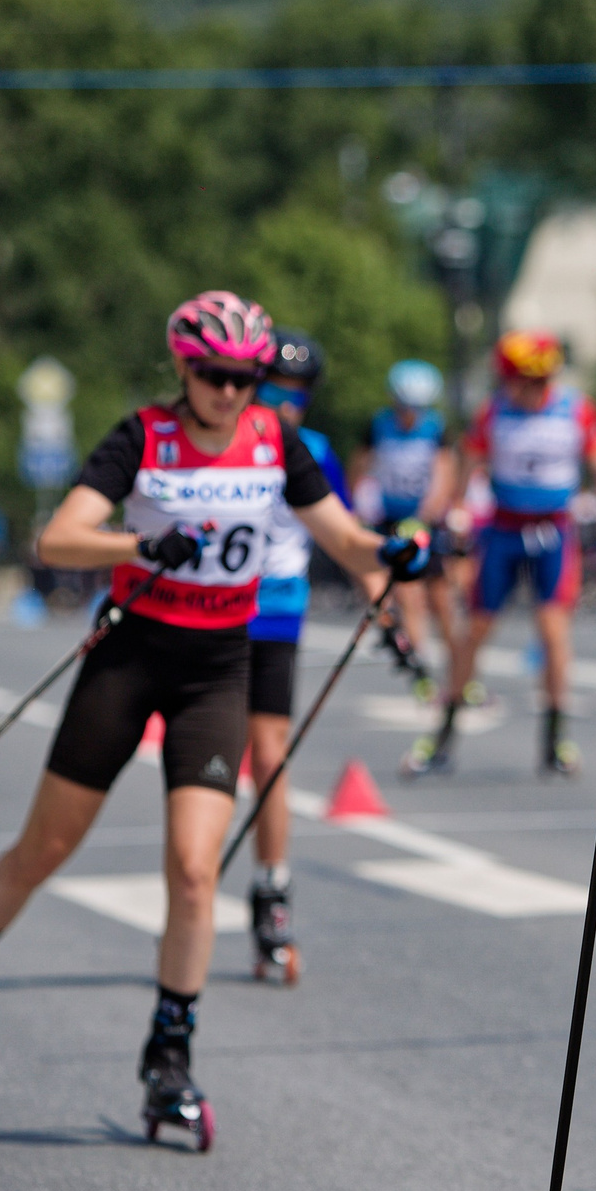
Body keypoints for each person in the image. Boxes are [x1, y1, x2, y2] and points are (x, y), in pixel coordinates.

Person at [0, 292, 436, 1143]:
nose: (230, 392)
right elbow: (59, 539)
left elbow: (346, 539)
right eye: (214, 375)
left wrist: (396, 549)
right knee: (45, 848)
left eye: (245, 377)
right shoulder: (143, 437)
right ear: (183, 367)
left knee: (196, 871)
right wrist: (136, 545)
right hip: (130, 660)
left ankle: (169, 1059)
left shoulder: (274, 441)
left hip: (218, 669)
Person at [404, 330, 596, 779]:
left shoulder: (576, 409)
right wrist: (451, 516)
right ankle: (443, 736)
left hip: (554, 530)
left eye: (539, 382)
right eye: (523, 382)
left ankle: (556, 742)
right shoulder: (494, 411)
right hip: (503, 529)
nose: (531, 391)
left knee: (553, 633)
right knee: (474, 631)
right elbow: (466, 468)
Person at [239, 327, 352, 985]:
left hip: (278, 615)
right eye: (274, 391)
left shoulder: (315, 452)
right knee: (213, 759)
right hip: (217, 615)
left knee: (269, 757)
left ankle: (271, 892)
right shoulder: (229, 445)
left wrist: (388, 582)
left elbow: (345, 533)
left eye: (299, 394)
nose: (286, 404)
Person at [359, 359, 461, 694]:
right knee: (408, 596)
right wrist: (357, 505)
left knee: (442, 601)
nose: (409, 414)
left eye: (416, 408)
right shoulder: (378, 425)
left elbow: (444, 475)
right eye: (403, 406)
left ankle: (460, 671)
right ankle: (421, 670)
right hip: (391, 519)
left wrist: (425, 515)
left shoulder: (435, 428)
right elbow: (359, 467)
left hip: (425, 520)